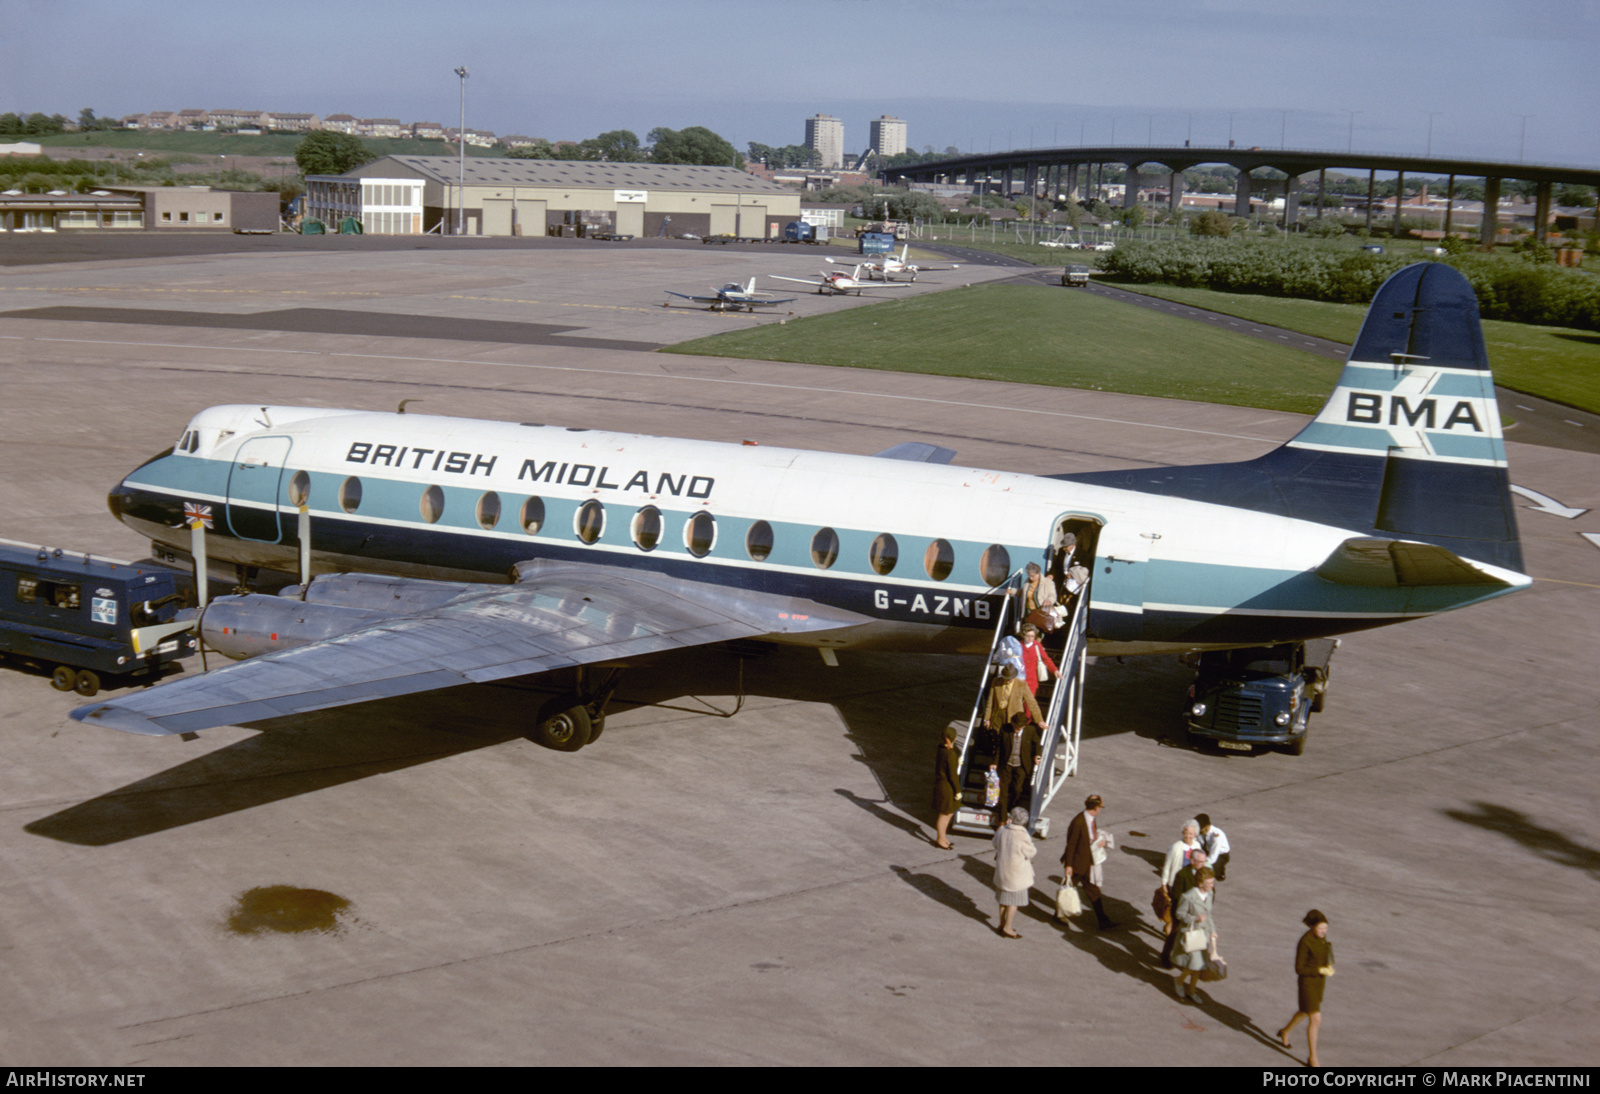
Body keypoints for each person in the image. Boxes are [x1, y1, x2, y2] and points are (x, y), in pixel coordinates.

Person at [1277, 910, 1335, 1067]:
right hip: (1307, 984)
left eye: (1325, 928)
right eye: (1320, 928)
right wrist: (1320, 970)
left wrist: (1328, 966)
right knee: (1315, 1018)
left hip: (1318, 984)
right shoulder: (1305, 942)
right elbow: (1299, 968)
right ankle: (1313, 1058)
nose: (1324, 931)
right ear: (1311, 927)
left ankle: (1285, 1031)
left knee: (1304, 1012)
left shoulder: (1321, 939)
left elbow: (1324, 956)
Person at [1060, 794, 1115, 929]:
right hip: (1079, 864)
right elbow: (1071, 844)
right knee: (1068, 889)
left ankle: (1103, 920)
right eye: (1100, 807)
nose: (1101, 810)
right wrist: (1069, 864)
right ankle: (1059, 914)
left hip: (1087, 862)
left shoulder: (1090, 819)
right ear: (1095, 807)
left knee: (1093, 891)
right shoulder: (1078, 822)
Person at [1158, 821, 1203, 966]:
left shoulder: (1197, 847)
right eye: (1186, 833)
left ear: (1195, 834)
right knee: (1176, 925)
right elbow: (1167, 866)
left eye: (1191, 833)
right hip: (1177, 887)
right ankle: (1166, 956)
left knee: (1193, 926)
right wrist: (1164, 883)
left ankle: (1191, 961)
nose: (1188, 836)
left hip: (1192, 889)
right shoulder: (1176, 847)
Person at [1172, 868, 1218, 1001]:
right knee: (1196, 964)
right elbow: (1179, 914)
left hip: (1203, 934)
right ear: (1201, 883)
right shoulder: (1188, 896)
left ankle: (1191, 990)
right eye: (1209, 883)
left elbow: (1208, 915)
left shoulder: (1209, 895)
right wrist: (1195, 918)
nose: (1212, 886)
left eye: (1212, 882)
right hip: (1192, 934)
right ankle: (1180, 981)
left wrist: (1213, 930)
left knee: (1198, 965)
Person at [992, 806, 1036, 938]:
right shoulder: (1022, 835)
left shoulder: (1002, 830)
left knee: (1003, 899)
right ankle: (1008, 927)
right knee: (1014, 901)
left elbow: (994, 843)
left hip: (1002, 870)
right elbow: (1031, 852)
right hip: (1017, 873)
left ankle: (1001, 924)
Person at [990, 712, 1042, 822]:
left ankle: (1010, 808)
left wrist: (1037, 755)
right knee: (1003, 792)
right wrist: (995, 762)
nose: (1016, 729)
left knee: (1018, 790)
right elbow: (999, 747)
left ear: (1023, 726)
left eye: (1018, 728)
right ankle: (1002, 819)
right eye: (1015, 727)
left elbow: (1036, 744)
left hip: (1021, 766)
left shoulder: (1030, 730)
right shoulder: (1005, 729)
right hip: (1006, 765)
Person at [983, 664, 1043, 730]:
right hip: (997, 716)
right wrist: (987, 718)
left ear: (1014, 677)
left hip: (1013, 719)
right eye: (1006, 679)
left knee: (1008, 738)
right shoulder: (996, 681)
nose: (1008, 682)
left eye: (1010, 679)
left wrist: (1039, 720)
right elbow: (990, 701)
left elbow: (1032, 703)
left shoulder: (1022, 685)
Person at [932, 724, 961, 850]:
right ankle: (940, 838)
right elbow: (953, 776)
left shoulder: (941, 749)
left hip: (942, 785)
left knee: (948, 812)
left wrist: (956, 762)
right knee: (945, 813)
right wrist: (958, 791)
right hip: (947, 787)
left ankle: (943, 837)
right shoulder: (950, 754)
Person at [1017, 623, 1059, 697]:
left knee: (1029, 705)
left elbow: (1046, 659)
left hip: (1032, 682)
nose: (1030, 638)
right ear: (1023, 635)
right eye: (1028, 636)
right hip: (1019, 680)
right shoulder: (1018, 645)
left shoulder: (1037, 646)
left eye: (1032, 636)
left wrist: (1054, 670)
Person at [1196, 813, 1231, 882]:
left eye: (1201, 830)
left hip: (1221, 854)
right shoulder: (1201, 833)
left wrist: (1202, 864)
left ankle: (1220, 872)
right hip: (1206, 849)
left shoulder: (1216, 835)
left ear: (1207, 827)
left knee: (1212, 866)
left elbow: (1213, 857)